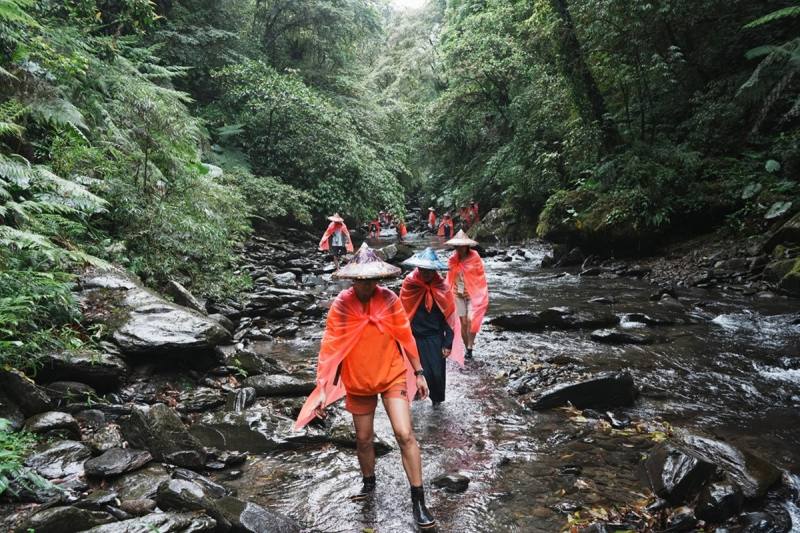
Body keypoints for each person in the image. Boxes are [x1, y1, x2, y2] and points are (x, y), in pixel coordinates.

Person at [294, 243, 436, 529]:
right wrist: (322, 388)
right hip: (358, 379)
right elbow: (330, 347)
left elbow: (405, 336)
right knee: (363, 438)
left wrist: (419, 372)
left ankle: (418, 500)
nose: (366, 284)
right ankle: (369, 484)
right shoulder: (342, 304)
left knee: (404, 433)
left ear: (378, 278)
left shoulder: (390, 299)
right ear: (352, 279)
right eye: (361, 279)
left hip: (392, 374)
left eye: (371, 279)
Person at [400, 248, 465, 407]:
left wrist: (448, 343)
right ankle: (416, 399)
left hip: (435, 337)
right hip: (414, 337)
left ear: (435, 270)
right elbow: (401, 314)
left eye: (430, 270)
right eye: (423, 270)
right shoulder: (410, 284)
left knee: (436, 374)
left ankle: (437, 403)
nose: (426, 273)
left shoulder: (442, 286)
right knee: (416, 371)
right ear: (418, 268)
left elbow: (449, 316)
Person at [445, 230, 488, 359]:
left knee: (471, 319)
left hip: (472, 294)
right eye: (457, 246)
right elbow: (449, 277)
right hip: (457, 294)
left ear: (467, 246)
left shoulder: (474, 256)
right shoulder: (452, 259)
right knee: (463, 322)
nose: (459, 249)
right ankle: (467, 348)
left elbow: (480, 275)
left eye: (462, 246)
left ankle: (470, 346)